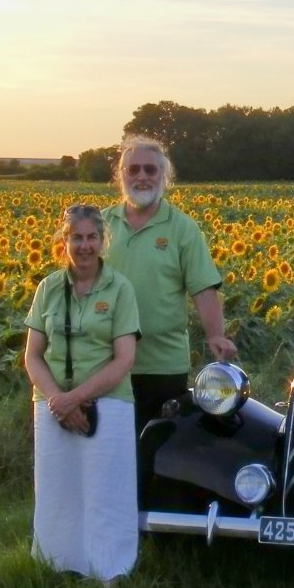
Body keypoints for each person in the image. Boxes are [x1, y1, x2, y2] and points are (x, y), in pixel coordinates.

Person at [102, 135, 236, 506]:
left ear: (165, 176)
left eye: (151, 169)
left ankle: (154, 533)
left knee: (156, 454)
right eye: (134, 169)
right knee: (110, 453)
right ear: (121, 175)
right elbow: (80, 285)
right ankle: (112, 532)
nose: (142, 176)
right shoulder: (102, 224)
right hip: (106, 364)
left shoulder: (181, 228)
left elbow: (203, 288)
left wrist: (215, 336)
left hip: (162, 365)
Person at [24, 204, 141, 586]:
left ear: (103, 241)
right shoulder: (48, 288)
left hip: (107, 402)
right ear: (64, 241)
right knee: (58, 491)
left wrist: (76, 399)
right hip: (51, 405)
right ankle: (58, 568)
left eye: (92, 237)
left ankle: (110, 572)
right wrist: (59, 400)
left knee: (105, 491)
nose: (85, 246)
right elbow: (33, 355)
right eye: (77, 237)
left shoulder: (119, 288)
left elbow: (124, 359)